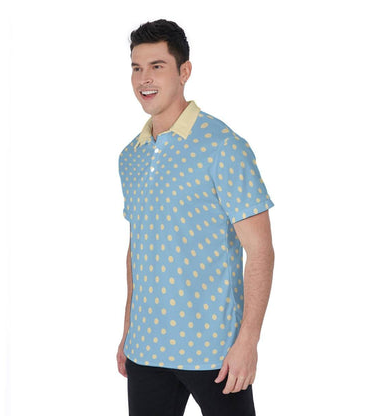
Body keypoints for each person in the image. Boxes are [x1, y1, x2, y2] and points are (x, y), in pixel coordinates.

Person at [116, 19, 275, 416]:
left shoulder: (223, 146)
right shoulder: (131, 156)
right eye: (136, 67)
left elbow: (260, 251)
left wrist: (248, 342)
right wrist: (128, 330)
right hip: (145, 348)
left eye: (157, 66)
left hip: (215, 351)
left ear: (184, 71)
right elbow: (139, 246)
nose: (144, 78)